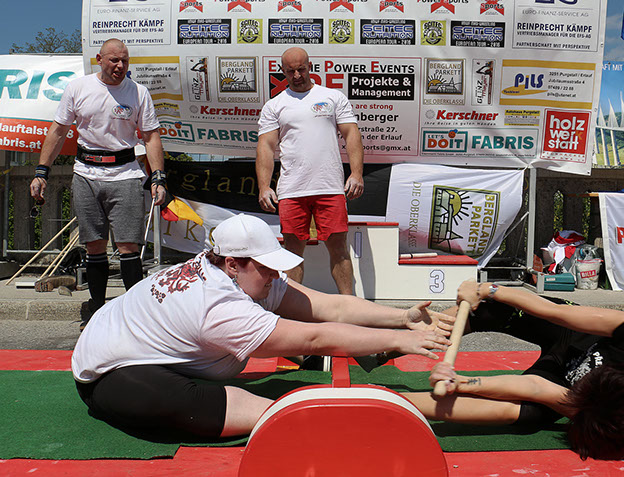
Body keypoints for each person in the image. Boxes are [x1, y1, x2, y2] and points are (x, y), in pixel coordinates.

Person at [72, 213, 453, 438]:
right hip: (109, 374)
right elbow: (315, 337)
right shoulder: (218, 305)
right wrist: (400, 340)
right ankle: (312, 420)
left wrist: (402, 318)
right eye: (266, 266)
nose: (275, 273)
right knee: (241, 409)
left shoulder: (237, 271)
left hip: (132, 341)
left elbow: (330, 307)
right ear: (233, 264)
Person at [403, 279, 624, 460]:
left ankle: (393, 401)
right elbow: (557, 312)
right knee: (492, 309)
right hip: (571, 333)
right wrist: (486, 290)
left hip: (557, 379)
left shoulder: (617, 418)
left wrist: (460, 382)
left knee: (525, 414)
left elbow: (537, 389)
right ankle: (392, 345)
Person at [29, 38, 167, 321]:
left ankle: (136, 316)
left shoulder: (138, 92)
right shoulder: (78, 88)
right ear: (99, 59)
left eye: (125, 61)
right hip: (86, 175)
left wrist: (158, 178)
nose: (120, 66)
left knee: (128, 246)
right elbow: (57, 131)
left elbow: (151, 136)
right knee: (94, 245)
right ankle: (97, 311)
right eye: (114, 60)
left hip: (125, 174)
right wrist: (42, 172)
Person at [256, 46, 364, 295]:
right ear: (282, 71)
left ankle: (349, 306)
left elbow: (352, 134)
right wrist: (264, 187)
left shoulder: (333, 97)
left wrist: (356, 173)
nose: (296, 75)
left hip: (329, 187)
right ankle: (291, 307)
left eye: (301, 69)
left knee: (339, 249)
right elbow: (266, 147)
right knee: (292, 252)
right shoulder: (274, 105)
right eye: (290, 71)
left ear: (310, 67)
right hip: (292, 190)